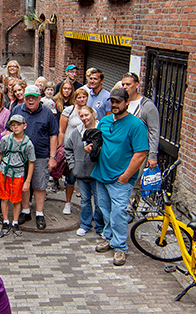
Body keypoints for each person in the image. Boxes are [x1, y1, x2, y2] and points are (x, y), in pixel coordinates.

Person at [90, 88, 149, 266]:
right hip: (102, 174)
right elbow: (97, 143)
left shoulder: (136, 125)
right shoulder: (105, 121)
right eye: (112, 101)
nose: (114, 105)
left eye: (118, 102)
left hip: (120, 179)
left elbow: (140, 153)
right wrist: (91, 148)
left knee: (118, 212)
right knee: (104, 209)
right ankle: (109, 238)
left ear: (126, 103)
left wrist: (125, 176)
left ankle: (120, 247)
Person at [11, 85, 61, 230]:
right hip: (20, 157)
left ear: (40, 98)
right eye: (28, 97)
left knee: (39, 185)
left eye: (34, 97)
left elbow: (53, 135)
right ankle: (26, 211)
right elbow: (10, 131)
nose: (30, 100)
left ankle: (39, 213)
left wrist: (52, 157)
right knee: (24, 185)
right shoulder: (17, 110)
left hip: (41, 156)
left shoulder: (47, 113)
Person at [64, 106, 103, 237]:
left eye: (87, 115)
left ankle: (100, 226)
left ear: (93, 114)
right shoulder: (77, 132)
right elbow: (68, 148)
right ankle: (85, 224)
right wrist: (73, 165)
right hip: (81, 172)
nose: (85, 118)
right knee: (85, 200)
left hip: (97, 172)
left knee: (99, 201)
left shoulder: (101, 129)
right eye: (82, 116)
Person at [0, 115, 34, 236]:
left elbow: (31, 162)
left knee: (17, 200)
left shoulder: (28, 144)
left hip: (18, 174)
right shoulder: (6, 139)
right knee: (4, 198)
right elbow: (0, 154)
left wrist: (27, 181)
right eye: (13, 125)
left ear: (24, 126)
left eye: (18, 125)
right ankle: (6, 221)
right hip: (4, 172)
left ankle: (15, 222)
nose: (15, 127)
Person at [58, 85, 91, 215]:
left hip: (86, 151)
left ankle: (86, 204)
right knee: (70, 178)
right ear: (75, 98)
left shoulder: (90, 111)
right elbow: (62, 131)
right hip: (71, 149)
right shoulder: (69, 111)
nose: (82, 99)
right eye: (79, 97)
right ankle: (68, 203)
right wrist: (60, 148)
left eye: (84, 97)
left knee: (86, 180)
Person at [121, 72, 161, 169]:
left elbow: (154, 131)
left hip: (137, 152)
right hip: (122, 151)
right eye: (123, 84)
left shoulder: (147, 106)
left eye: (128, 84)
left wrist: (152, 155)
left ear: (137, 85)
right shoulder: (121, 103)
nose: (125, 87)